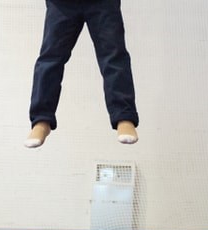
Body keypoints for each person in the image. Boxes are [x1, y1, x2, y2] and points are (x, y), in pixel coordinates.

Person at [25, 0, 139, 148]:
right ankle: (41, 120)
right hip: (61, 5)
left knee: (114, 57)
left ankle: (124, 117)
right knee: (50, 59)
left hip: (104, 4)